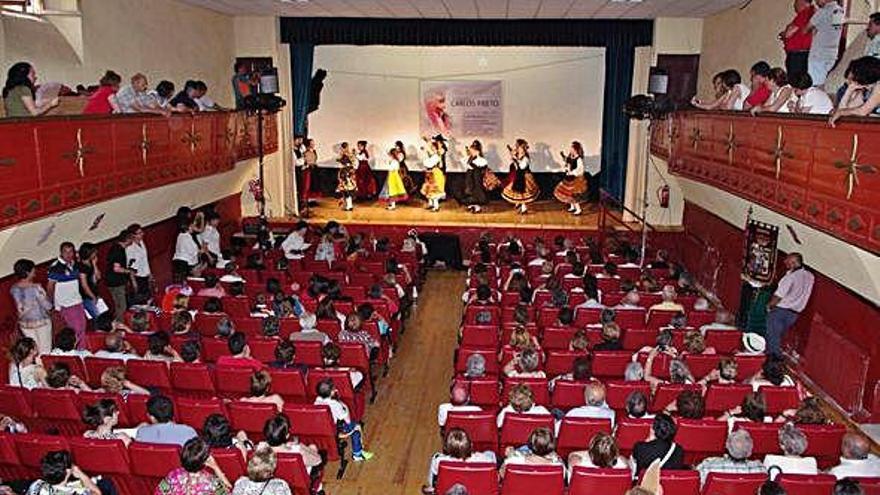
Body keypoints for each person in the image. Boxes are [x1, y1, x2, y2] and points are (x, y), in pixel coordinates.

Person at [766, 253, 814, 357]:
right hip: (794, 314)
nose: (784, 262)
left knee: (773, 338)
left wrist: (769, 306)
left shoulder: (789, 278)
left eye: (787, 261)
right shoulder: (810, 276)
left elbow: (778, 296)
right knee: (777, 337)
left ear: (794, 262)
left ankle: (773, 362)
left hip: (780, 311)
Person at [314, 378, 374, 461]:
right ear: (332, 392)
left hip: (322, 429)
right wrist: (344, 405)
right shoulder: (335, 404)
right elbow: (347, 420)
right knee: (356, 428)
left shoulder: (317, 401)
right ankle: (357, 454)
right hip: (336, 430)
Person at [424, 429, 496, 493]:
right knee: (490, 453)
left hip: (449, 490)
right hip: (480, 490)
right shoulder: (486, 460)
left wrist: (433, 486)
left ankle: (432, 489)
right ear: (471, 445)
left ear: (446, 448)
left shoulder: (438, 460)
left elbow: (433, 478)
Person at [156, 437, 232, 495]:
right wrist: (216, 467)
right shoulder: (212, 483)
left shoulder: (173, 475)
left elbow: (158, 493)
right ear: (205, 461)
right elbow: (229, 491)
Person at [11, 259, 53, 355]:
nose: (34, 272)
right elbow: (48, 306)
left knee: (33, 352)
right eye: (33, 270)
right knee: (45, 352)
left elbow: (19, 308)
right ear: (27, 272)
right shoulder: (36, 287)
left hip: (24, 324)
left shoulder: (14, 288)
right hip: (41, 322)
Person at [47, 242, 86, 347]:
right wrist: (52, 305)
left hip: (77, 301)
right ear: (61, 253)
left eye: (71, 252)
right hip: (66, 304)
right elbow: (50, 287)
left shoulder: (74, 264)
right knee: (76, 330)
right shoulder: (55, 267)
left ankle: (82, 350)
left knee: (82, 328)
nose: (68, 254)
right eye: (65, 252)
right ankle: (79, 352)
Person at [694, 429, 765, 486]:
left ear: (727, 447)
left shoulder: (709, 466)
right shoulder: (760, 469)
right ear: (750, 450)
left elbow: (695, 485)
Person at [830, 56, 880, 126]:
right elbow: (844, 109)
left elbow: (863, 111)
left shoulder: (878, 85)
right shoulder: (865, 89)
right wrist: (850, 90)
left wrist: (841, 112)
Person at [26, 450, 104, 495]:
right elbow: (98, 493)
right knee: (106, 484)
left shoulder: (36, 485)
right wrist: (81, 474)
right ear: (68, 471)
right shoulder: (75, 493)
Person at [807, 0, 845, 87]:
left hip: (819, 53)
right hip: (832, 53)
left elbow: (805, 29)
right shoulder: (839, 11)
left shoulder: (822, 11)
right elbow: (834, 29)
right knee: (823, 83)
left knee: (815, 84)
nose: (815, 2)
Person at [502, 139, 540, 214]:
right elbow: (516, 167)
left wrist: (515, 159)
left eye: (518, 147)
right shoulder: (518, 156)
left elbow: (522, 167)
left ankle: (523, 208)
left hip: (525, 176)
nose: (517, 148)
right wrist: (513, 158)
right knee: (519, 192)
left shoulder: (525, 158)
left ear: (523, 148)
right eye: (517, 147)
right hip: (519, 176)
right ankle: (522, 207)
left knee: (524, 192)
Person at [780, 0, 816, 79]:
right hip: (803, 55)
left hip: (798, 56)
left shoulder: (805, 13)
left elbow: (788, 33)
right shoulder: (812, 12)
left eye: (796, 1)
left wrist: (785, 33)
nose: (794, 5)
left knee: (795, 81)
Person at [105, 230, 135, 322]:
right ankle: (119, 324)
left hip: (111, 281)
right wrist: (129, 271)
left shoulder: (115, 248)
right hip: (116, 282)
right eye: (132, 238)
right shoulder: (118, 250)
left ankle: (116, 322)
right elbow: (116, 268)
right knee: (122, 306)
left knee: (117, 305)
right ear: (128, 239)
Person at [554, 141, 588, 216]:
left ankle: (578, 209)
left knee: (574, 194)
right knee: (569, 193)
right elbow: (568, 164)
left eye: (572, 148)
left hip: (576, 179)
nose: (570, 149)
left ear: (575, 149)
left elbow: (580, 170)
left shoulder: (579, 159)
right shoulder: (571, 158)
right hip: (570, 177)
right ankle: (572, 206)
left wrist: (572, 172)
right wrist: (566, 168)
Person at [125, 224, 153, 305]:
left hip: (145, 275)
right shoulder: (130, 248)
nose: (142, 234)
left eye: (142, 232)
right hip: (138, 277)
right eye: (139, 233)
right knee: (141, 300)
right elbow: (130, 267)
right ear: (133, 235)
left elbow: (145, 260)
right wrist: (134, 282)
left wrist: (149, 273)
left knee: (149, 298)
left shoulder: (142, 243)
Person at [462, 140, 491, 213]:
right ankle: (473, 206)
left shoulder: (481, 160)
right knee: (470, 191)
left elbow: (481, 167)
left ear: (477, 151)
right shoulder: (471, 159)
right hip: (471, 179)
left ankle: (477, 207)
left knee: (477, 192)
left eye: (473, 151)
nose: (471, 153)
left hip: (477, 179)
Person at [421, 135, 448, 212]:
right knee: (429, 189)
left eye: (433, 147)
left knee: (434, 190)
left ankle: (436, 206)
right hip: (432, 173)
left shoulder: (437, 155)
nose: (431, 148)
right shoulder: (434, 155)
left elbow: (429, 164)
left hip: (436, 173)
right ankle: (431, 204)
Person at [379, 146, 410, 210]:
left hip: (393, 176)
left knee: (393, 190)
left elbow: (391, 168)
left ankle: (393, 205)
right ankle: (392, 204)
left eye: (390, 154)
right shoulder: (394, 161)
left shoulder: (394, 161)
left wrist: (388, 164)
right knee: (392, 190)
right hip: (392, 176)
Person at [335, 142, 358, 211]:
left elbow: (343, 161)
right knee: (347, 190)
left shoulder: (346, 155)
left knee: (346, 190)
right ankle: (349, 205)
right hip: (348, 173)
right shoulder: (350, 154)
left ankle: (349, 205)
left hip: (346, 173)